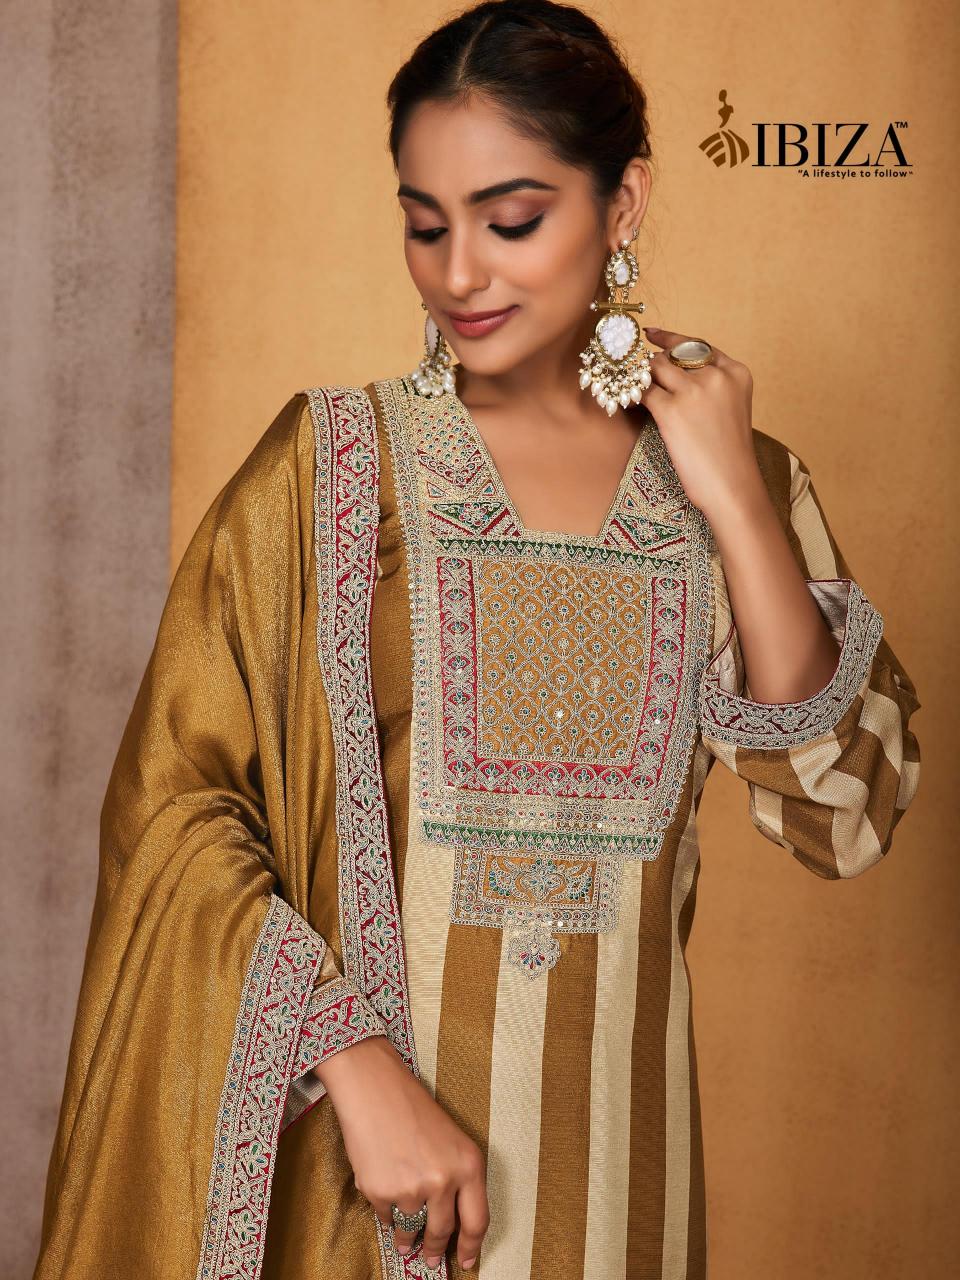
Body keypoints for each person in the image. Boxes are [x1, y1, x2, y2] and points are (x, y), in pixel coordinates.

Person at [32, 2, 922, 1278]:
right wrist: (352, 1057)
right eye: (425, 223)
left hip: (621, 1210)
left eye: (510, 222)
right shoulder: (334, 473)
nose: (460, 274)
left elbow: (844, 814)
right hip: (360, 1198)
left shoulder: (744, 484)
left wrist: (732, 493)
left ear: (622, 204)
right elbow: (175, 805)